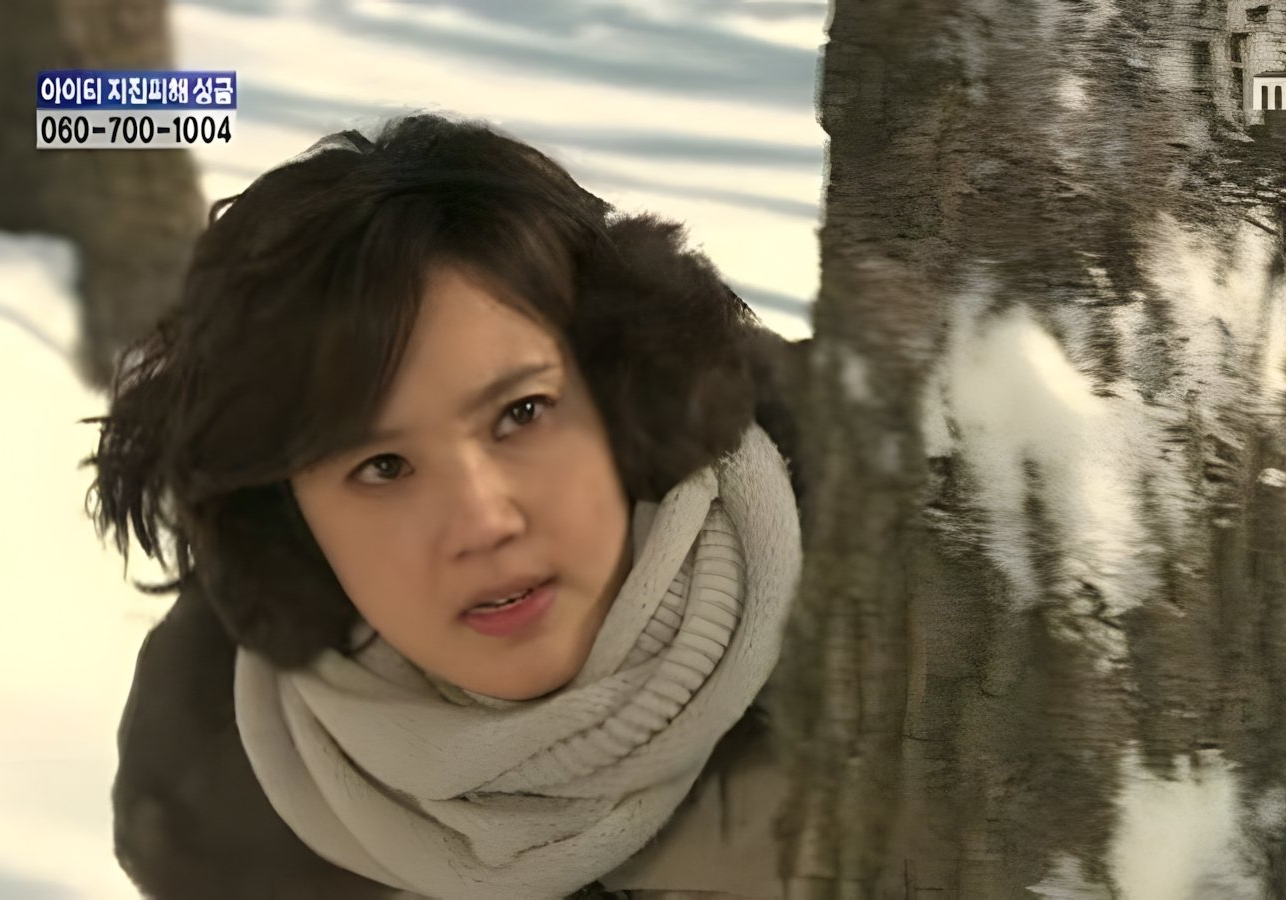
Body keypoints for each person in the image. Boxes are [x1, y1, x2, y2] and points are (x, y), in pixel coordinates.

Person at [83, 113, 811, 899]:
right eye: (382, 467)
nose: (482, 522)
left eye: (522, 414)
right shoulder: (235, 834)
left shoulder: (890, 622)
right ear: (289, 530)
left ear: (635, 396)